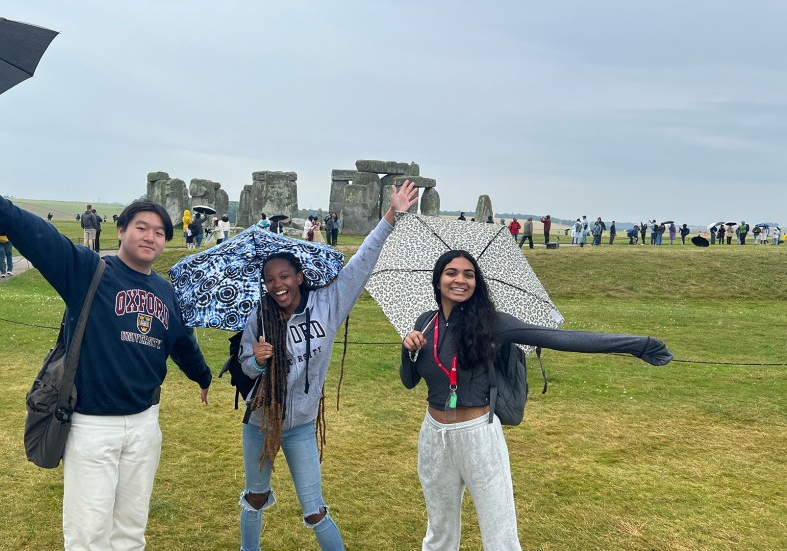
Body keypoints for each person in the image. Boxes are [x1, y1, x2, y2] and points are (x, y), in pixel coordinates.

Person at [0, 170, 211, 551]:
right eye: (141, 227)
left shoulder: (165, 292)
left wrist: (202, 376)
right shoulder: (89, 270)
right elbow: (41, 239)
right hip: (93, 425)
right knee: (88, 533)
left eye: (159, 232)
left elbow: (181, 341)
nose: (150, 237)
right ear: (122, 230)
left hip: (144, 425)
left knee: (130, 528)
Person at [400, 249, 673, 550]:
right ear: (438, 280)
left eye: (469, 274)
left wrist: (637, 344)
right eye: (451, 273)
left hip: (477, 435)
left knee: (500, 535)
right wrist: (408, 349)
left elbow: (558, 338)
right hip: (434, 437)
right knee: (439, 532)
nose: (460, 280)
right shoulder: (425, 322)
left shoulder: (493, 323)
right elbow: (409, 381)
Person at [236, 180, 419, 551]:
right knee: (255, 497)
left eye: (285, 276)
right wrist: (255, 362)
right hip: (260, 422)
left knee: (315, 510)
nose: (277, 285)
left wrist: (390, 217)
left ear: (299, 277)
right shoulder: (259, 315)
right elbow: (243, 365)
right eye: (270, 280)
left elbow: (361, 263)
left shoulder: (328, 304)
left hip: (301, 425)